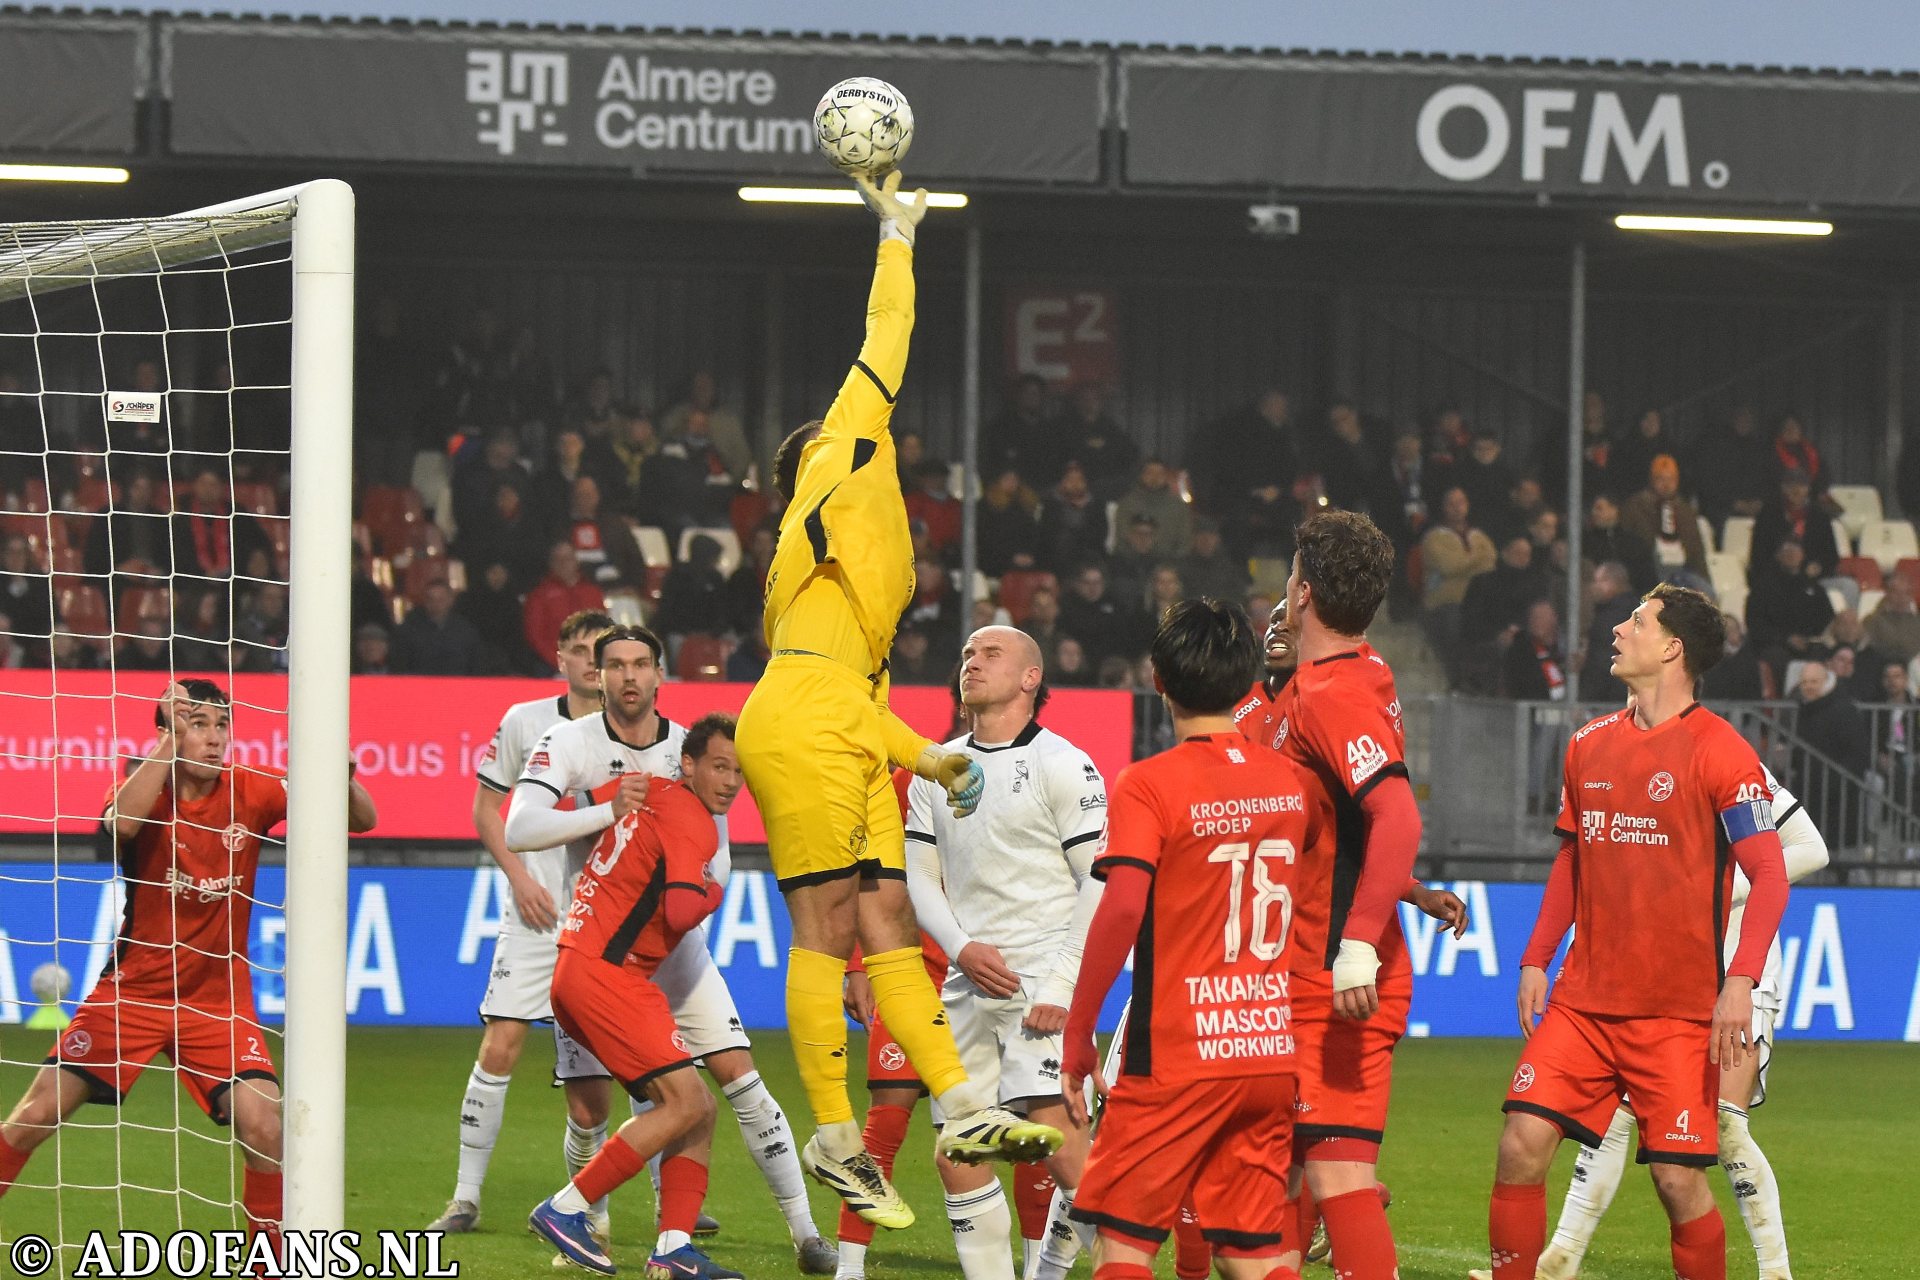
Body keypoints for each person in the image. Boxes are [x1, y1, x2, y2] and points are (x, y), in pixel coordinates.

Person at [732, 172, 1057, 1230]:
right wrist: (897, 234)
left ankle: (960, 1107)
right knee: (828, 922)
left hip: (840, 713)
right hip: (807, 715)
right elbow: (888, 330)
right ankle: (832, 1130)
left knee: (884, 924)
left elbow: (857, 698)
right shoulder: (843, 449)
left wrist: (930, 758)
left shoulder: (842, 561)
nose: (891, 442)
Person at [0, 680, 377, 1257]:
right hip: (133, 994)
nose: (213, 737)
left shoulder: (250, 789)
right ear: (168, 733)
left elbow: (363, 820)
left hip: (217, 1002)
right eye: (197, 724)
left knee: (265, 1128)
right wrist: (165, 746)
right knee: (33, 1117)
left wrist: (343, 775)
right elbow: (121, 827)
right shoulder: (142, 786)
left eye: (220, 725)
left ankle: (267, 1264)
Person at [502, 628, 837, 1271]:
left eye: (641, 665)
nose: (629, 677)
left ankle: (780, 1236)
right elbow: (520, 828)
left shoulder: (693, 751)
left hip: (667, 956)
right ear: (597, 676)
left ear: (660, 675)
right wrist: (604, 811)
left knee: (730, 1089)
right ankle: (579, 1216)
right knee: (601, 1105)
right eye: (615, 666)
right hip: (603, 953)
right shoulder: (569, 742)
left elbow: (718, 864)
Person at [1483, 583, 1790, 1280]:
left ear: (1672, 647)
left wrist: (1738, 982)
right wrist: (1536, 957)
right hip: (1584, 1004)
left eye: (1637, 620)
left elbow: (1769, 877)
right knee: (1520, 1144)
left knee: (1678, 1184)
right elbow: (1573, 858)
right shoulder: (1589, 744)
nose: (1619, 630)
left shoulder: (1724, 753)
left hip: (1676, 1015)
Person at [1471, 762, 1828, 1280]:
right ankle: (1559, 1258)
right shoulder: (1612, 755)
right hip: (1651, 969)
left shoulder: (1722, 760)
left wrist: (1713, 895)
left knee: (1724, 1124)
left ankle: (1776, 1272)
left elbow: (1809, 847)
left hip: (1733, 965)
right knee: (1615, 1116)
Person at [1059, 598, 1316, 1280]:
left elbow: (1120, 913)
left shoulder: (1147, 785)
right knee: (1250, 1254)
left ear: (1157, 679)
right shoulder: (1289, 784)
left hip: (1177, 1051)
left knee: (1125, 1245)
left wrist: (1079, 1031)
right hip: (1263, 1046)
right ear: (1244, 683)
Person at [1224, 512, 1424, 1280]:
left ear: (1303, 592)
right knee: (1268, 1182)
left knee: (1337, 1178)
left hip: (1330, 981)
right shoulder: (1316, 688)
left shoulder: (1335, 696)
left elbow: (1397, 814)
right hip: (1284, 971)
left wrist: (1356, 946)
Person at [905, 627, 1107, 1280]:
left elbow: (1099, 885)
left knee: (1061, 1146)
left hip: (1042, 983)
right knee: (957, 1151)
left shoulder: (1063, 764)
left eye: (990, 654)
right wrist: (959, 948)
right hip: (966, 986)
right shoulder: (936, 769)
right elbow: (918, 875)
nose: (971, 662)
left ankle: (1119, 1268)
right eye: (965, 653)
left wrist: (1061, 986)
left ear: (1030, 678)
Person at [525, 714, 749, 1279]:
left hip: (581, 965)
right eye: (720, 766)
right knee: (688, 1102)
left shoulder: (653, 791)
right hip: (609, 976)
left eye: (739, 772)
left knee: (694, 1111)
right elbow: (680, 911)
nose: (730, 782)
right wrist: (715, 892)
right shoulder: (693, 820)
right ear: (690, 764)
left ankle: (673, 1250)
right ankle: (567, 1208)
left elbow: (582, 818)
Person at [427, 610, 615, 1237]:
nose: (592, 662)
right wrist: (521, 878)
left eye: (603, 652)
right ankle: (464, 1196)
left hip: (602, 924)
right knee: (500, 1044)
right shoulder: (523, 721)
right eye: (581, 649)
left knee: (590, 1094)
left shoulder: (632, 731)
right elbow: (486, 807)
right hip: (535, 916)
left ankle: (585, 1204)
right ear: (560, 655)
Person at [1620, 454, 1708, 584]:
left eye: (1671, 479)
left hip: (1684, 574)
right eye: (1660, 479)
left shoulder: (1686, 512)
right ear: (1652, 480)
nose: (1666, 485)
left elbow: (1697, 553)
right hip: (1647, 574)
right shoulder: (1635, 507)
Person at [523, 542, 609, 673]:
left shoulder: (592, 592)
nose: (563, 563)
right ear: (551, 564)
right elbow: (536, 637)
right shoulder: (539, 595)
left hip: (592, 663)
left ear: (576, 561)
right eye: (558, 559)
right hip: (552, 666)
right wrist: (561, 662)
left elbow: (603, 630)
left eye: (567, 558)